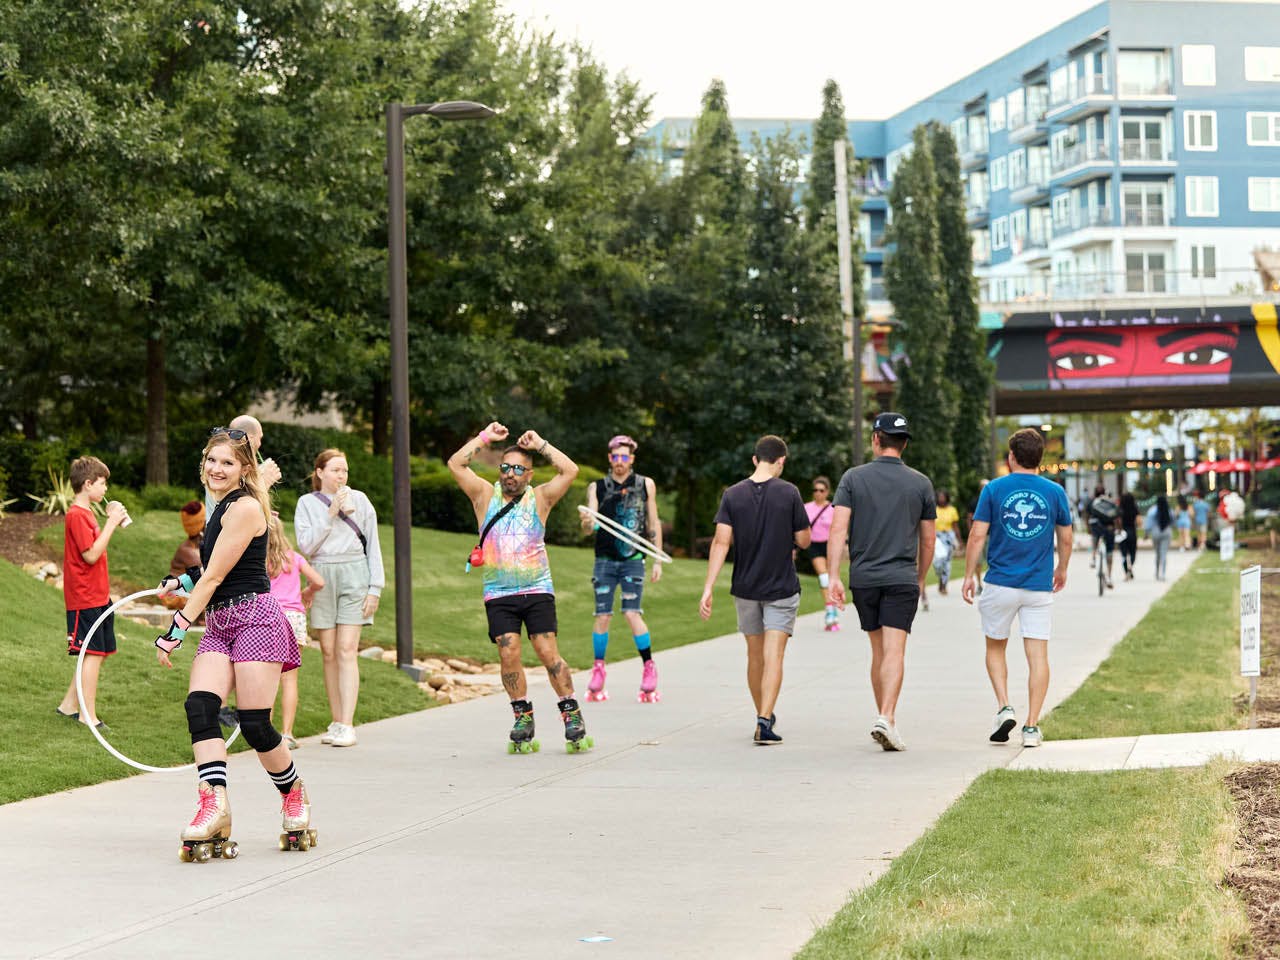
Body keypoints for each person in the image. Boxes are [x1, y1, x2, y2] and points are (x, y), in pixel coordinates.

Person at [154, 428, 315, 861]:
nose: (216, 469)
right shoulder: (220, 507)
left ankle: (293, 794)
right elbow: (214, 564)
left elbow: (216, 577)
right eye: (211, 460)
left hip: (256, 619)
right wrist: (180, 581)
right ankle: (214, 805)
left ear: (245, 469)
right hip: (223, 622)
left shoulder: (244, 506)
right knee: (200, 708)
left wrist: (176, 628)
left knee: (256, 723)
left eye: (227, 463)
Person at [447, 422, 589, 752]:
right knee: (508, 651)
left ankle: (571, 710)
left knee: (546, 651)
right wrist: (484, 438)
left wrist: (540, 445)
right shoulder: (484, 495)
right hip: (499, 593)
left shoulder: (540, 498)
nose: (511, 474)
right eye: (506, 468)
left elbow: (570, 470)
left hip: (537, 589)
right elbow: (456, 464)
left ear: (529, 475)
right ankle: (522, 715)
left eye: (518, 470)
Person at [826, 412, 936, 752]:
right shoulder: (921, 483)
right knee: (895, 649)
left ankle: (885, 718)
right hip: (901, 576)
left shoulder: (852, 479)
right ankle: (887, 717)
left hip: (865, 577)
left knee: (878, 650)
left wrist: (832, 577)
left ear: (876, 439)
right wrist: (919, 578)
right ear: (903, 444)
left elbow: (838, 529)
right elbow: (929, 540)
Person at [961, 428, 1073, 749]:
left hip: (999, 584)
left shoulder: (994, 489)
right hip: (1038, 586)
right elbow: (1065, 537)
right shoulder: (1054, 493)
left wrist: (970, 574)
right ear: (1040, 459)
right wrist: (1061, 568)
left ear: (1011, 457)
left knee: (995, 647)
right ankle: (1031, 727)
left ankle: (1004, 706)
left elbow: (977, 535)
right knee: (1038, 655)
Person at [700, 435, 810, 745]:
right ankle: (765, 719)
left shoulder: (732, 495)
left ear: (754, 459)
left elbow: (721, 542)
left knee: (754, 656)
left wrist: (708, 587)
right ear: (781, 462)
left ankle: (762, 713)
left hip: (745, 587)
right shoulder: (790, 493)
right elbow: (803, 540)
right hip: (782, 587)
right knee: (773, 656)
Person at [294, 449, 384, 748]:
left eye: (344, 471)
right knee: (329, 652)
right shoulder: (307, 503)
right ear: (319, 472)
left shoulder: (360, 500)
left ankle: (348, 724)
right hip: (322, 575)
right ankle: (336, 722)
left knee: (347, 649)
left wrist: (375, 587)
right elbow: (306, 546)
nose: (341, 476)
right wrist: (330, 515)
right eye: (335, 470)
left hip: (355, 573)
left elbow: (373, 545)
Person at [581, 434, 664, 703]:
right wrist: (586, 521)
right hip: (604, 558)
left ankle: (649, 667)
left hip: (632, 558)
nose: (620, 462)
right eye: (615, 457)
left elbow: (653, 523)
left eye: (624, 457)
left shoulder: (644, 485)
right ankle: (598, 669)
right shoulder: (597, 487)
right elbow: (590, 524)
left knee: (631, 612)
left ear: (632, 459)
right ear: (609, 458)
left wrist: (657, 559)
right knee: (603, 615)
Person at [56, 456, 128, 730]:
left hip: (97, 595)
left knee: (94, 652)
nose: (105, 489)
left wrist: (110, 520)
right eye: (102, 483)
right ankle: (88, 716)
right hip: (84, 597)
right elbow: (91, 555)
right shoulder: (76, 515)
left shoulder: (87, 514)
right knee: (93, 653)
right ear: (88, 484)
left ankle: (69, 706)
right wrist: (111, 523)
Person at [267, 514, 325, 750]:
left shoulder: (261, 561)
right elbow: (319, 581)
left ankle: (266, 734)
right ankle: (288, 733)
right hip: (295, 619)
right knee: (289, 678)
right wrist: (307, 592)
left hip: (270, 619)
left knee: (268, 679)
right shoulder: (295, 559)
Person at [203, 415, 282, 515]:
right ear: (250, 438)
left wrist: (264, 512)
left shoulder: (243, 467)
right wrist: (263, 484)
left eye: (227, 463)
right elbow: (236, 513)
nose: (260, 443)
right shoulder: (222, 474)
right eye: (260, 438)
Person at [804, 476, 841, 631]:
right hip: (814, 545)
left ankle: (834, 607)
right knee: (823, 577)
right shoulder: (806, 508)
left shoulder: (833, 508)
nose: (818, 493)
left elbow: (839, 529)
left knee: (831, 577)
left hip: (829, 546)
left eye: (821, 490)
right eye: (815, 490)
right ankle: (830, 610)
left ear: (827, 492)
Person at [161, 501, 206, 611]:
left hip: (187, 589)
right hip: (178, 595)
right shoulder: (187, 550)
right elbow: (206, 571)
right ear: (201, 524)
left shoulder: (195, 545)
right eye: (205, 520)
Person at [927, 489, 961, 602]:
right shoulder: (934, 509)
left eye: (943, 496)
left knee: (947, 562)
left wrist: (959, 541)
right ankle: (940, 578)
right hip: (937, 538)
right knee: (937, 562)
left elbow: (955, 526)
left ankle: (943, 584)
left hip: (948, 538)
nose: (941, 498)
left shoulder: (952, 510)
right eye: (939, 496)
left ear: (946, 497)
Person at [1085, 484, 1119, 588]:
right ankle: (1108, 576)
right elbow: (1116, 515)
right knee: (1109, 552)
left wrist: (1088, 527)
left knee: (1095, 540)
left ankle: (1093, 558)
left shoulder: (1091, 502)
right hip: (1109, 528)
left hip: (1096, 527)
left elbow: (1087, 514)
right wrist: (1117, 528)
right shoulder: (1109, 501)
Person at [1145, 495, 1173, 581]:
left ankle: (1157, 572)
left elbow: (1149, 523)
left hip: (1155, 532)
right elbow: (1172, 520)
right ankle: (1163, 574)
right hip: (1166, 532)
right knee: (1164, 553)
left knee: (1157, 554)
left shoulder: (1152, 510)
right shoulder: (1169, 510)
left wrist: (1146, 533)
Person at [1119, 492, 1139, 580]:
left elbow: (1118, 521)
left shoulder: (1119, 509)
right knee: (1132, 553)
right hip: (1132, 531)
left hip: (1122, 532)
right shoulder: (1134, 508)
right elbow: (1139, 521)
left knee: (1123, 554)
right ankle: (1130, 567)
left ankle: (1126, 571)